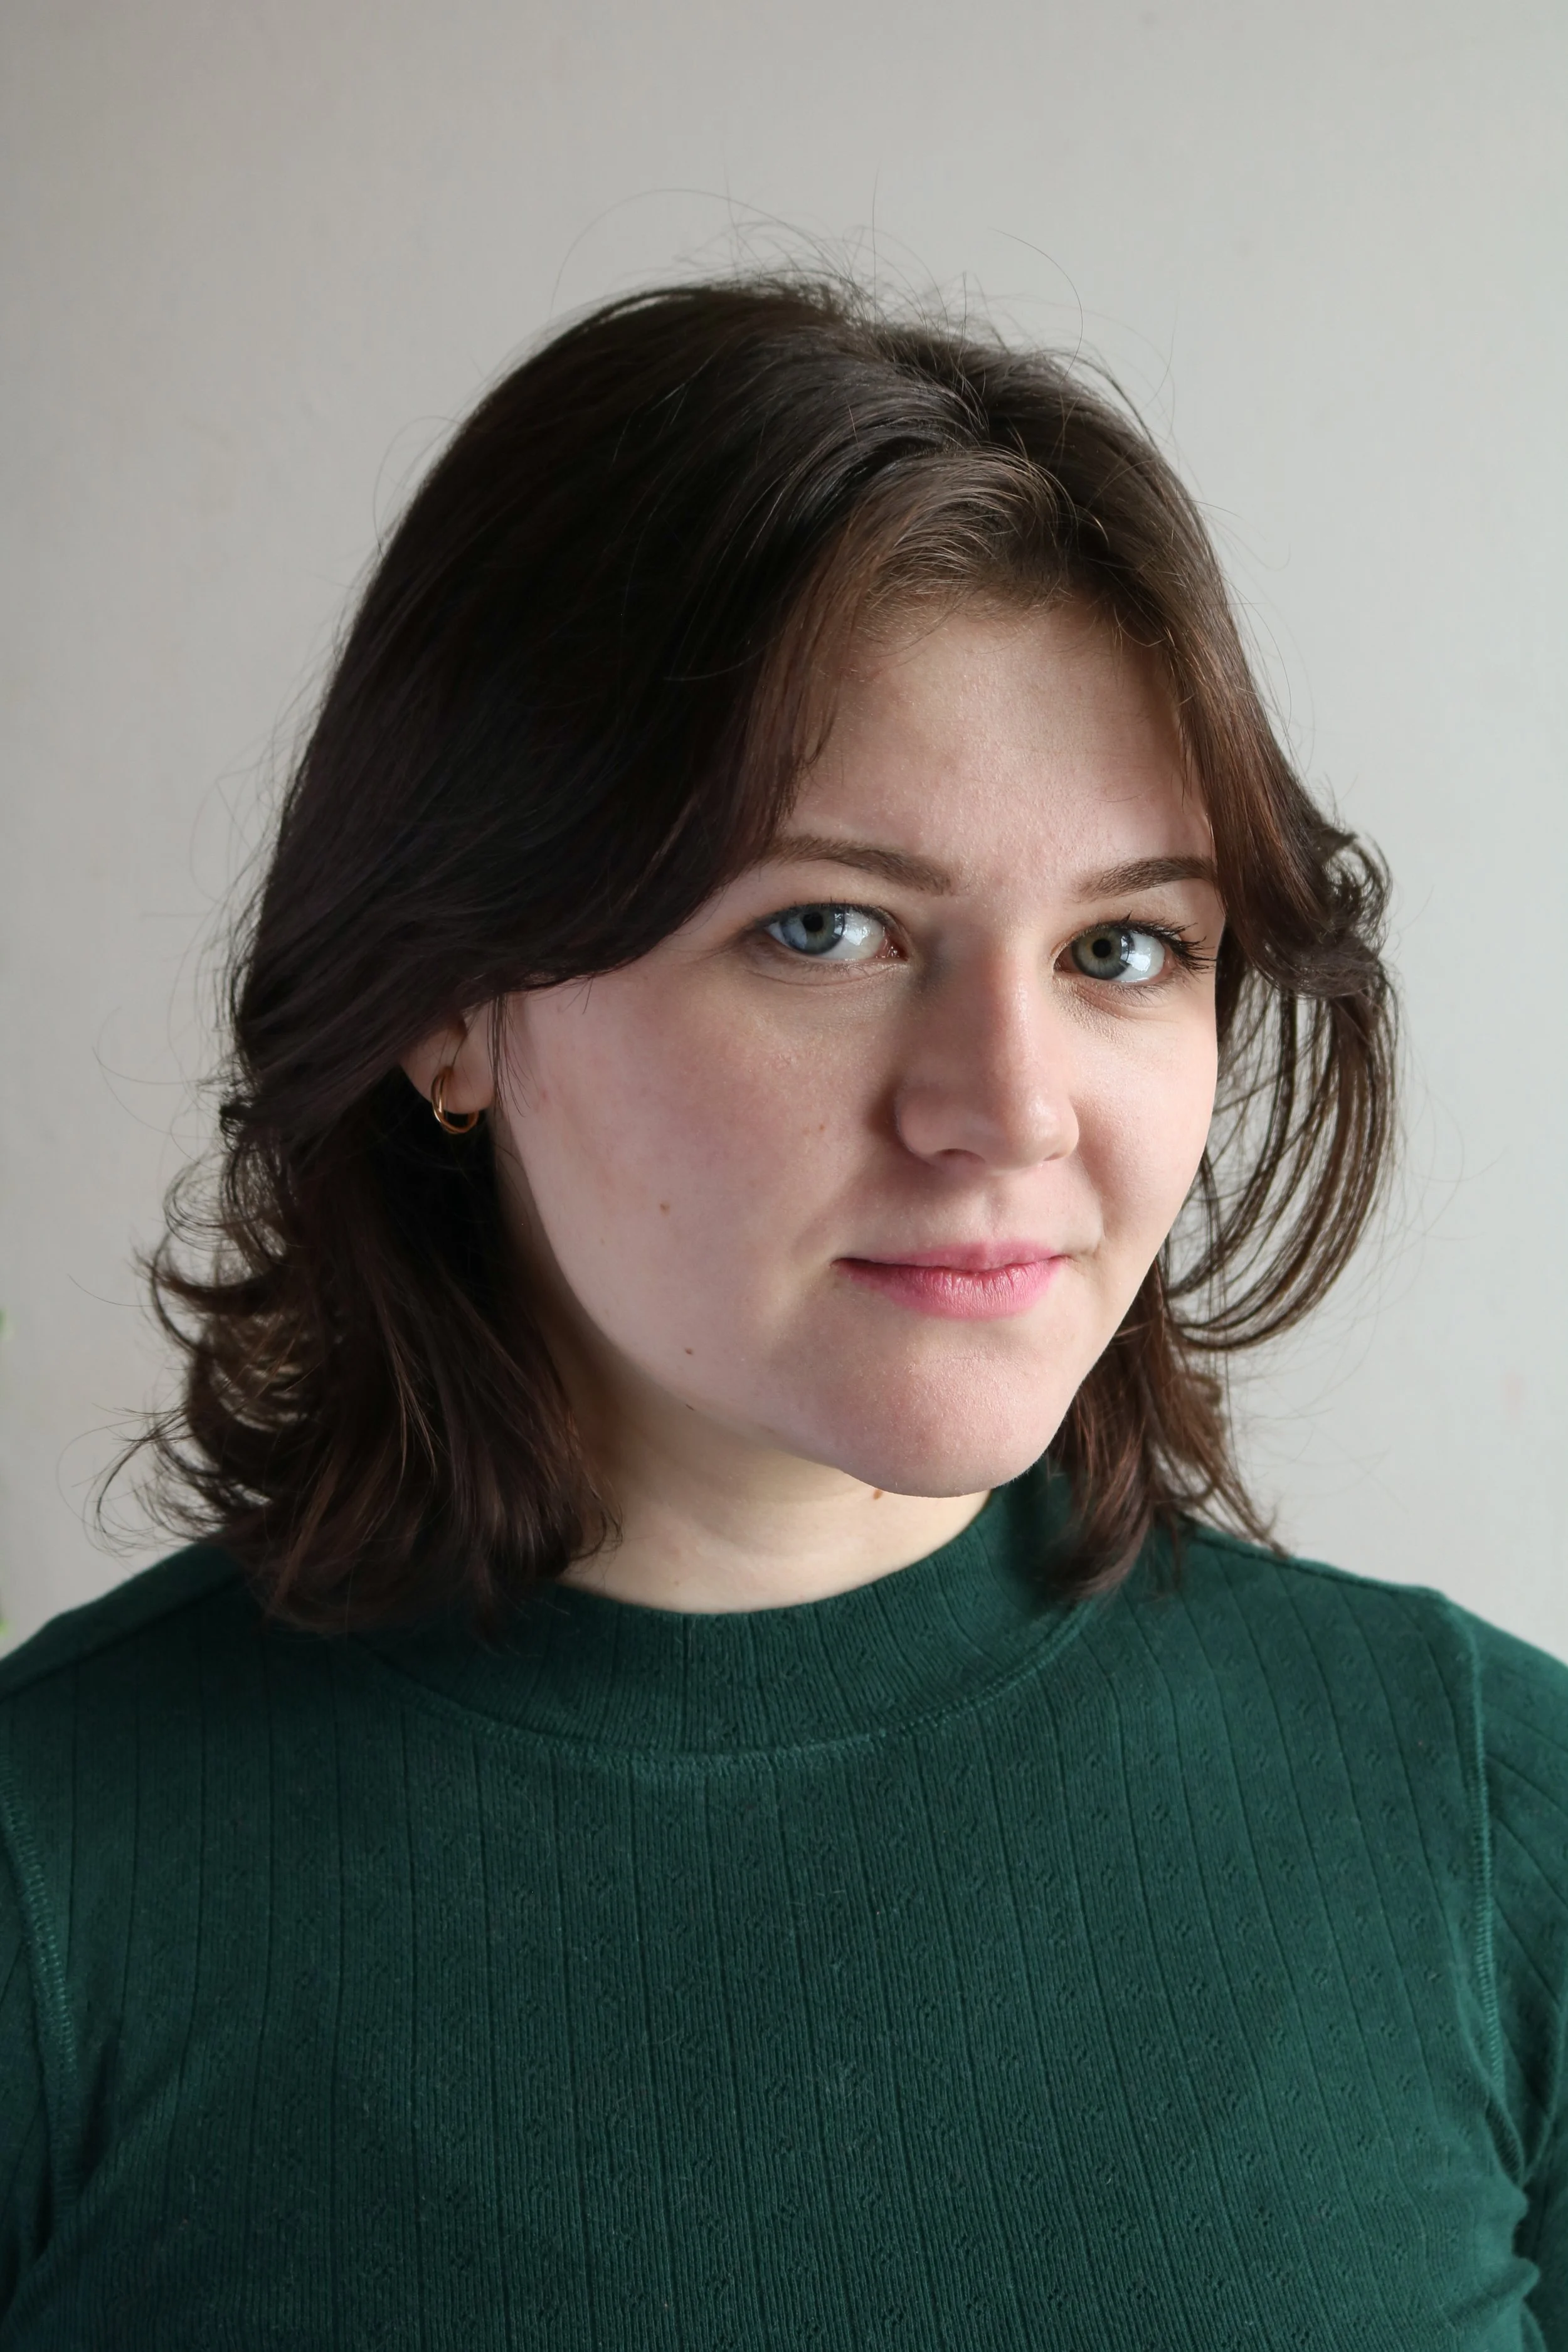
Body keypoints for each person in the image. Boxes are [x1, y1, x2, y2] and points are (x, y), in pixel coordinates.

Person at [1, 274, 1563, 2349]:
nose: (1005, 1106)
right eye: (825, 927)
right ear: (452, 1005)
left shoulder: (1488, 1820)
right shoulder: (62, 1871)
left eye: (1122, 946)